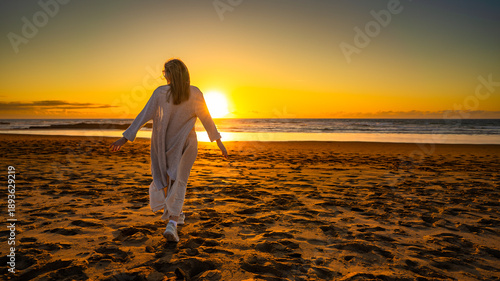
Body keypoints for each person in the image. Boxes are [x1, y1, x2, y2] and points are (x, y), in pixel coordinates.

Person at [109, 59, 228, 242]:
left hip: (186, 145)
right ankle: (177, 214)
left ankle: (172, 225)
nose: (164, 75)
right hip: (164, 145)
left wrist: (218, 140)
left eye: (165, 72)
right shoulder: (161, 93)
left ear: (172, 74)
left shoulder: (191, 93)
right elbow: (144, 115)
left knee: (179, 180)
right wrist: (126, 137)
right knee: (166, 180)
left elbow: (206, 118)